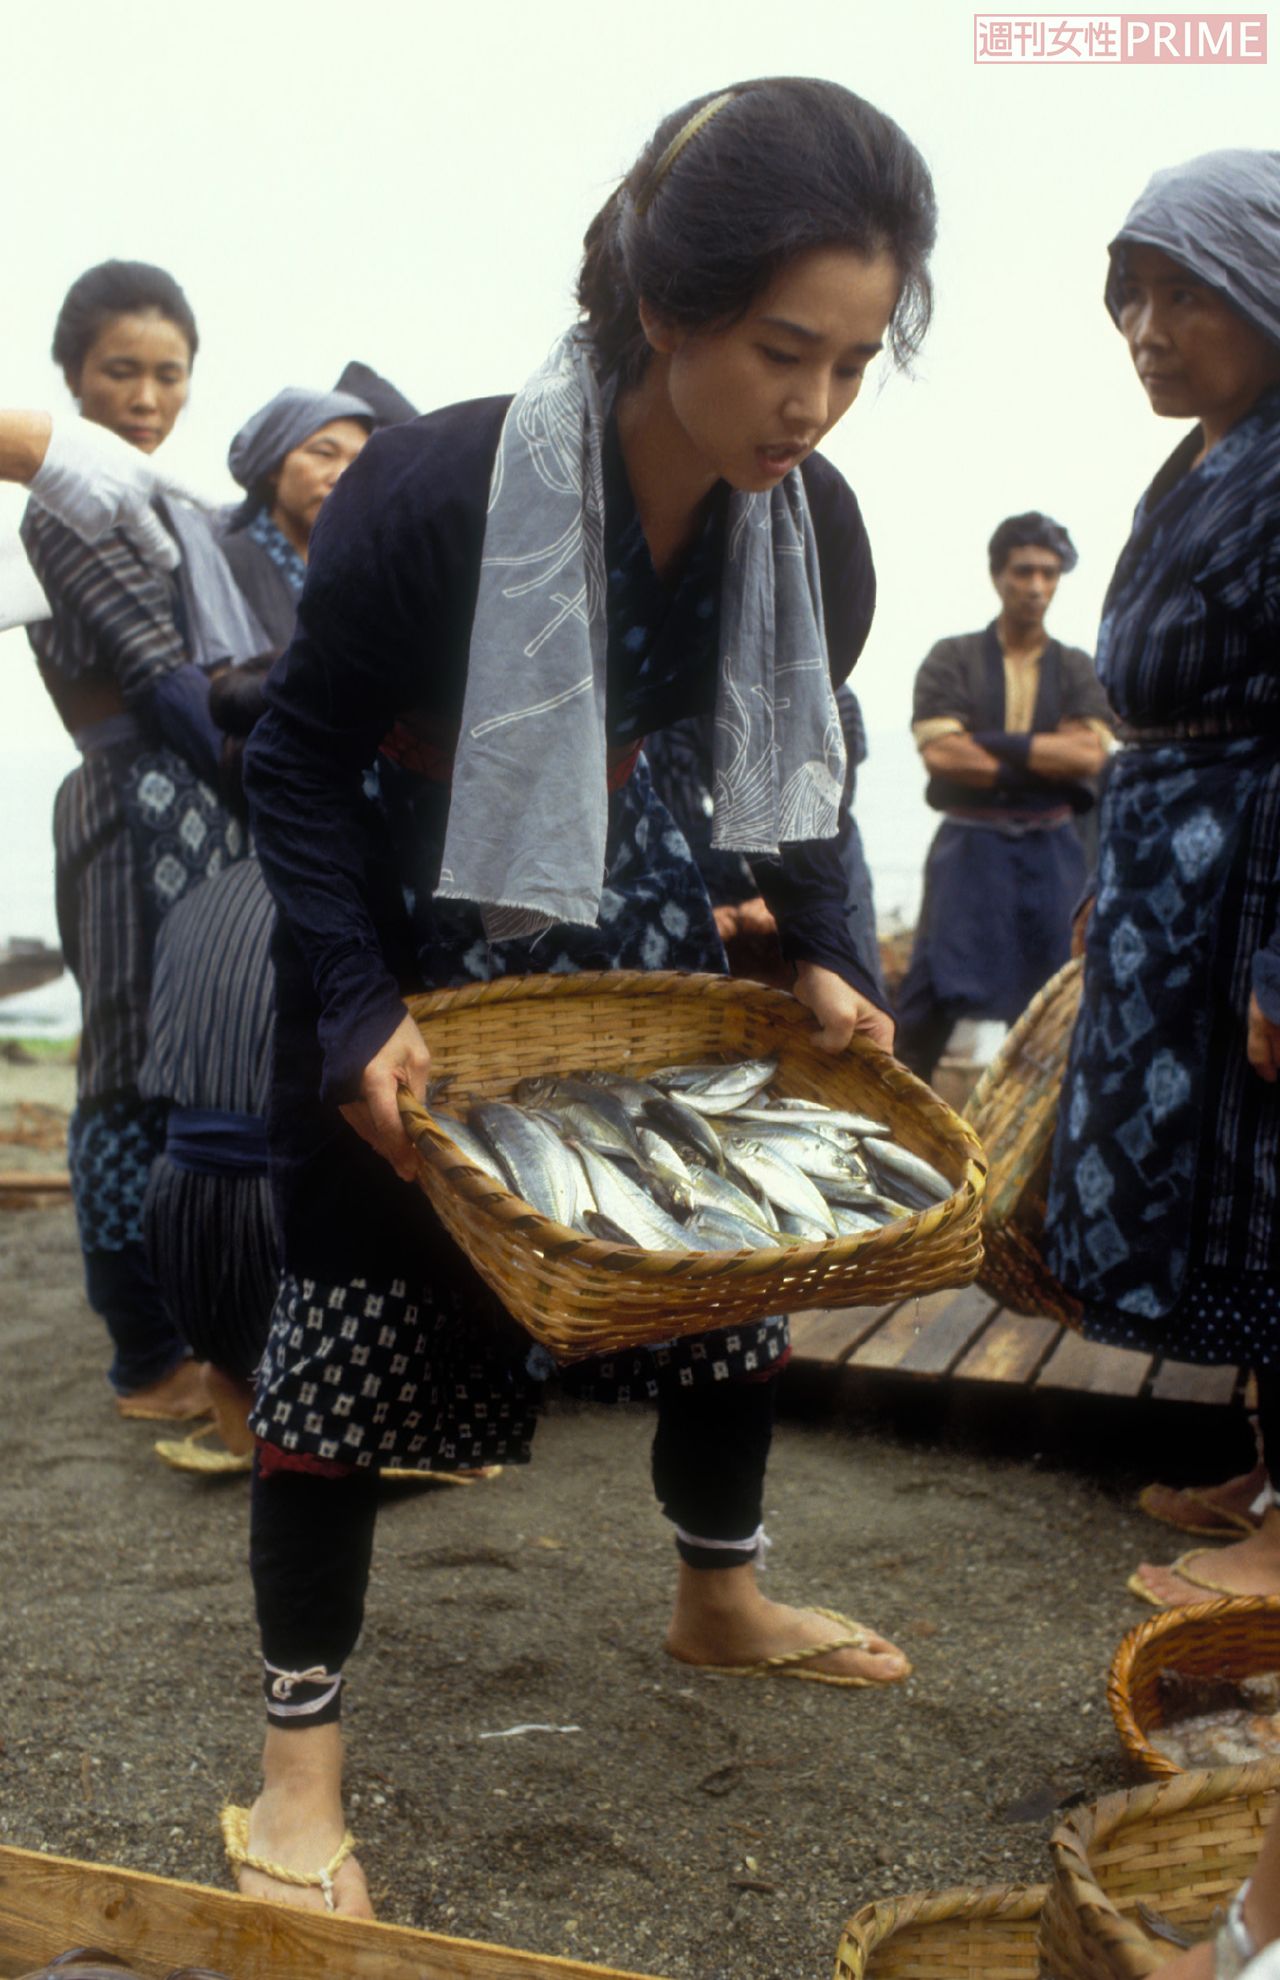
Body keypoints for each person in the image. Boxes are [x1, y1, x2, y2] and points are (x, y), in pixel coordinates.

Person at [234, 75, 936, 1917]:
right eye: (783, 350)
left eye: (854, 362)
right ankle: (296, 1768)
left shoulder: (811, 528)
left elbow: (802, 767)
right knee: (351, 1325)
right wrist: (352, 1006)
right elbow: (292, 762)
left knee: (714, 1270)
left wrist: (831, 947)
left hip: (631, 942)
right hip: (411, 939)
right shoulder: (437, 489)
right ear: (661, 305)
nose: (813, 403)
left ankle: (722, 1596)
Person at [1040, 150, 1280, 1606]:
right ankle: (1264, 1464)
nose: (1145, 328)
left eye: (1184, 294)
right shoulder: (1210, 456)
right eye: (1129, 296)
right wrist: (1112, 882)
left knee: (1269, 1170)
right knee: (1224, 1178)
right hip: (1177, 866)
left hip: (1258, 869)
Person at [21, 260, 266, 1420]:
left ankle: (197, 1325)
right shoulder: (65, 505)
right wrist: (278, 764)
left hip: (201, 800)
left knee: (195, 1062)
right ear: (72, 376)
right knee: (124, 1070)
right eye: (121, 371)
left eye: (170, 374)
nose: (146, 397)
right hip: (127, 803)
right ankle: (141, 1352)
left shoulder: (174, 512)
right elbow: (158, 672)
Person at [894, 514, 1113, 1082]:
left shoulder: (1076, 668)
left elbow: (1089, 755)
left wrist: (987, 743)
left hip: (1052, 850)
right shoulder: (951, 657)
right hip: (969, 846)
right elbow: (943, 755)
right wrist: (1043, 758)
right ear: (998, 576)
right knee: (926, 1000)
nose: (1037, 587)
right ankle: (895, 1120)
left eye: (1049, 573)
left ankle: (1037, 1133)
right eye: (1023, 572)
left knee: (1054, 999)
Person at [645, 682, 887, 995]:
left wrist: (784, 895)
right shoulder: (680, 698)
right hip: (718, 864)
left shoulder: (836, 696)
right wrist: (710, 902)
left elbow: (830, 810)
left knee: (851, 990)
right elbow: (680, 812)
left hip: (828, 859)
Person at [218, 385, 380, 652]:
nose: (343, 477)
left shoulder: (363, 577)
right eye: (324, 454)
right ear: (274, 467)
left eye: (360, 462)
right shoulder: (224, 562)